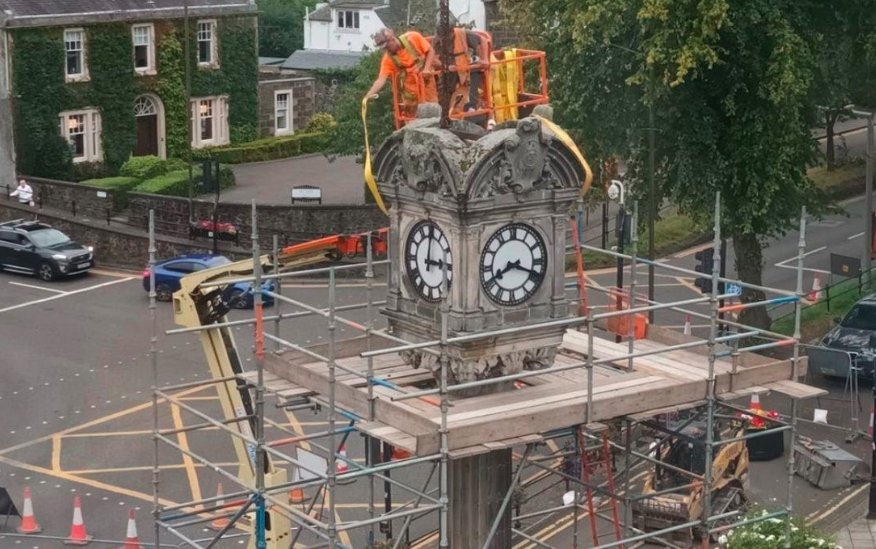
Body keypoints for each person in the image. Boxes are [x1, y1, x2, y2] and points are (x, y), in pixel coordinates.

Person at [364, 28, 438, 115]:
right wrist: (368, 96)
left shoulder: (412, 37)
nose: (387, 50)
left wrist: (426, 68)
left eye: (387, 47)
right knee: (411, 120)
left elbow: (430, 51)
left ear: (392, 39)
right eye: (384, 49)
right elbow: (381, 80)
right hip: (410, 93)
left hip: (426, 84)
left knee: (432, 114)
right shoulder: (388, 59)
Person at [431, 28, 491, 114]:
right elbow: (432, 58)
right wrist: (444, 66)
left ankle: (456, 119)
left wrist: (484, 59)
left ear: (452, 32)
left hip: (462, 76)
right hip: (445, 77)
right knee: (442, 105)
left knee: (457, 105)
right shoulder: (437, 39)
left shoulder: (463, 34)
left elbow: (483, 40)